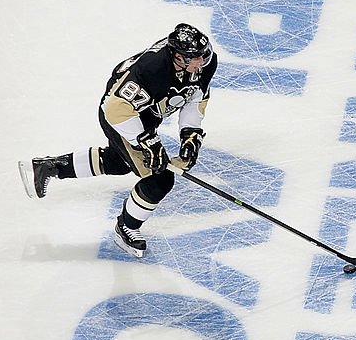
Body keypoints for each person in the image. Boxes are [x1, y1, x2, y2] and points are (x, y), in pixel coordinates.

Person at [18, 22, 217, 258]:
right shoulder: (152, 69)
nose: (201, 63)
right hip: (123, 115)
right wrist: (146, 141)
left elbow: (193, 97)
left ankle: (49, 167)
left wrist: (190, 134)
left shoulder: (205, 62)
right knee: (159, 179)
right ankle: (126, 228)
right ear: (177, 56)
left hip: (146, 112)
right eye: (194, 58)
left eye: (202, 56)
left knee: (120, 161)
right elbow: (116, 110)